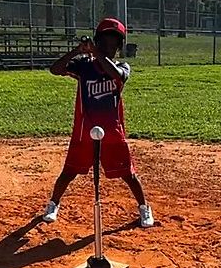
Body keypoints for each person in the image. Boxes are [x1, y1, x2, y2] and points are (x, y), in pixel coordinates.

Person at [41, 17, 154, 228]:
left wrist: (97, 53)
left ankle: (144, 208)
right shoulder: (84, 66)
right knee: (69, 171)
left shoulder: (122, 66)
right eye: (104, 42)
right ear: (97, 41)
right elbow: (55, 69)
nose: (109, 47)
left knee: (128, 174)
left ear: (119, 47)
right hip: (85, 130)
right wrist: (77, 51)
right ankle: (53, 204)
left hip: (112, 131)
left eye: (113, 44)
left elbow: (116, 74)